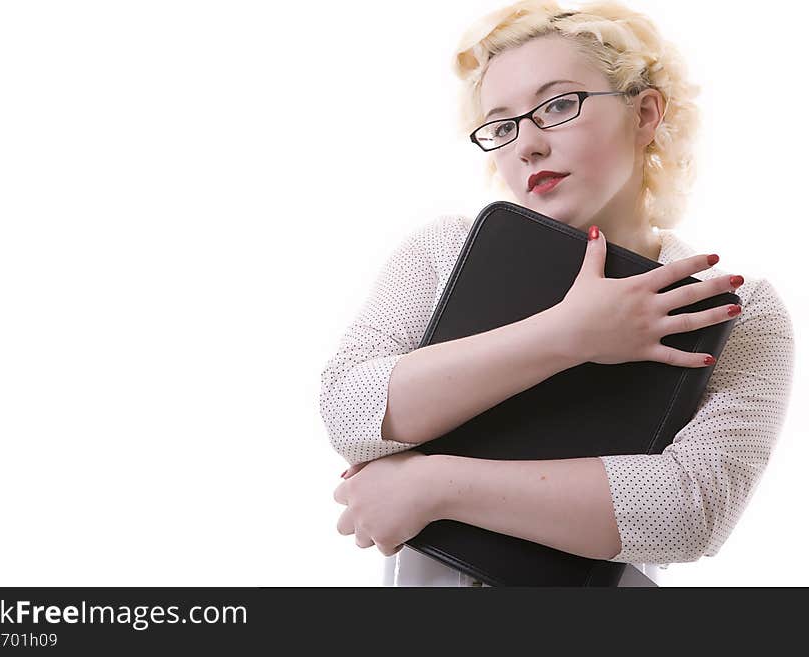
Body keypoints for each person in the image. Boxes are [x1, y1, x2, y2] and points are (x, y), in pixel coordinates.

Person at [320, 0, 795, 587]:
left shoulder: (732, 308)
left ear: (645, 113)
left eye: (558, 105)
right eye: (502, 125)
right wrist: (567, 335)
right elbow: (350, 411)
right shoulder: (443, 253)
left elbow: (693, 508)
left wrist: (432, 485)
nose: (528, 146)